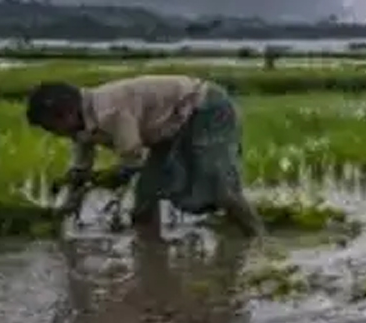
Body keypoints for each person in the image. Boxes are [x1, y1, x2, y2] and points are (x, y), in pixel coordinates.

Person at [25, 75, 264, 239]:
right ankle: (150, 256)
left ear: (64, 114)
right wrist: (60, 212)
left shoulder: (111, 111)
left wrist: (99, 179)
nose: (54, 134)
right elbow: (80, 171)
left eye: (50, 127)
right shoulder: (79, 127)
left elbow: (131, 163)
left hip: (203, 108)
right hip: (163, 127)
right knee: (145, 201)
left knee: (217, 181)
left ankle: (260, 241)